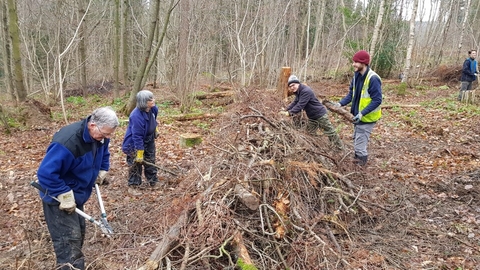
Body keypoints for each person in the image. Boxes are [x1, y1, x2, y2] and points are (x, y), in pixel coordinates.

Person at [36, 106, 119, 270]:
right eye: (105, 134)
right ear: (92, 125)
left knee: (78, 234)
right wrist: (63, 193)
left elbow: (104, 152)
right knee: (69, 245)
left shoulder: (100, 137)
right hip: (57, 198)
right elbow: (45, 173)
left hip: (78, 193)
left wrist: (103, 168)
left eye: (109, 134)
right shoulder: (68, 142)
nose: (107, 138)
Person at [335, 50, 382, 166]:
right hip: (358, 117)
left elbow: (377, 100)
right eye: (353, 61)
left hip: (367, 118)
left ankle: (360, 172)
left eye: (356, 62)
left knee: (360, 146)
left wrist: (362, 113)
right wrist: (340, 104)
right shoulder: (356, 76)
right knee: (357, 140)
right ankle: (357, 164)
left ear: (364, 63)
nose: (353, 64)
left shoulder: (373, 78)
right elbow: (351, 95)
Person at [279, 75, 344, 150]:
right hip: (312, 117)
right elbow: (295, 102)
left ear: (298, 83)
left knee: (330, 132)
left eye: (293, 85)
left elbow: (300, 105)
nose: (292, 87)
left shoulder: (305, 91)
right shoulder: (298, 92)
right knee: (310, 133)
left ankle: (339, 148)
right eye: (290, 86)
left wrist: (289, 113)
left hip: (320, 115)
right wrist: (286, 110)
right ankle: (317, 147)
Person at [122, 90, 160, 187]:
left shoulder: (153, 109)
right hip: (134, 143)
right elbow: (137, 136)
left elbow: (153, 118)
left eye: (152, 98)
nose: (153, 100)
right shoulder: (136, 116)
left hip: (149, 139)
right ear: (144, 102)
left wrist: (154, 128)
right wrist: (139, 152)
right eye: (150, 100)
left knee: (150, 160)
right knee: (136, 164)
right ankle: (134, 185)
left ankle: (153, 181)